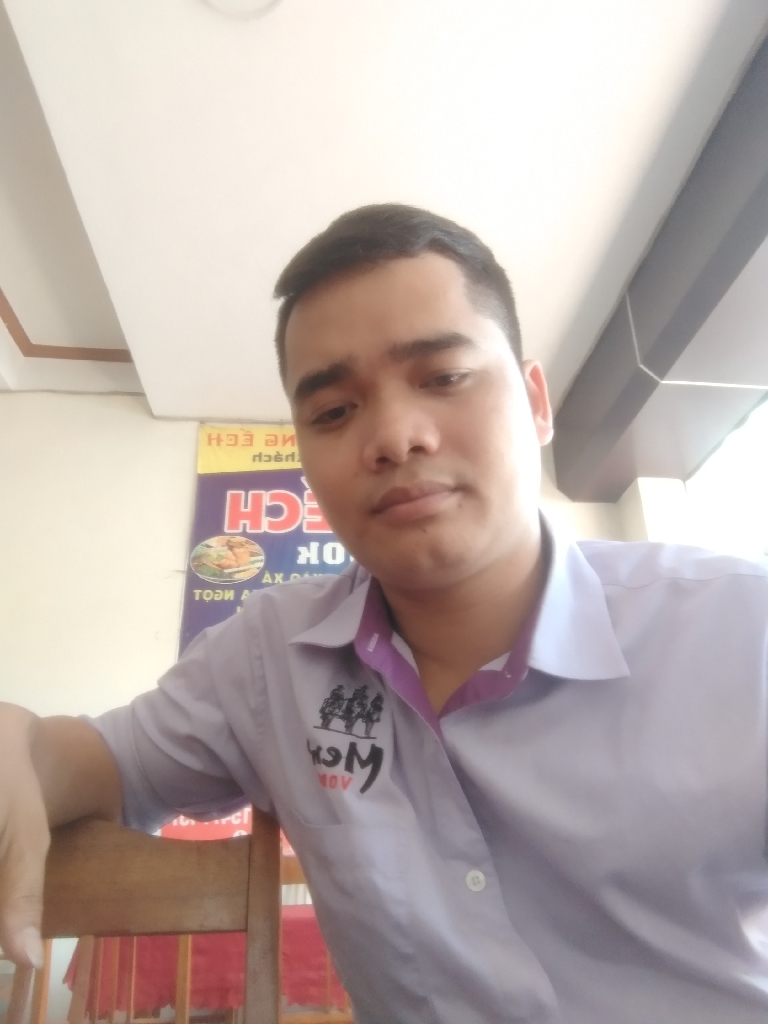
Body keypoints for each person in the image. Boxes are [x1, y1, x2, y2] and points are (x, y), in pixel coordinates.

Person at [1, 204, 768, 1023]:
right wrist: (19, 740)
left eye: (444, 377)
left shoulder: (737, 631)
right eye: (334, 411)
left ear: (536, 401)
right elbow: (99, 763)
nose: (396, 437)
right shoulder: (268, 661)